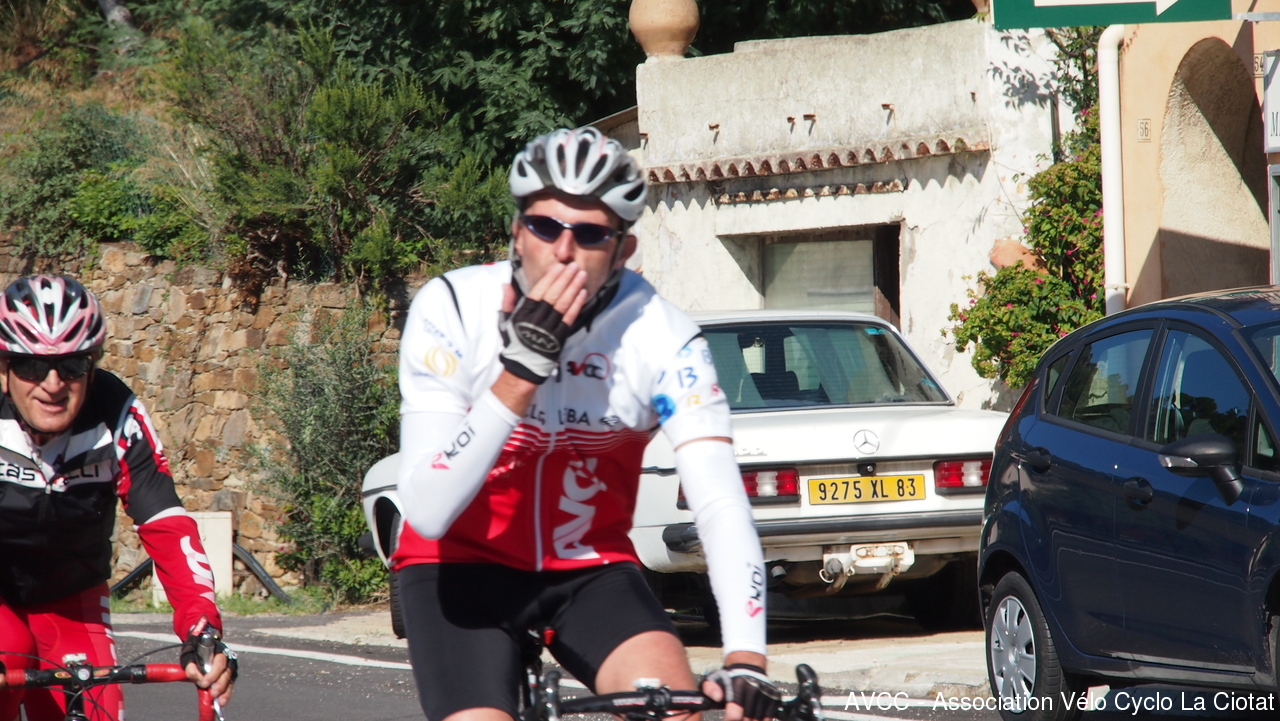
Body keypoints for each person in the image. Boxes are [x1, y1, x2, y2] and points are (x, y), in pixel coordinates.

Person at [393, 127, 779, 721]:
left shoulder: (663, 336)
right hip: (458, 566)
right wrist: (518, 374)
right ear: (518, 232)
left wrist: (746, 658)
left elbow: (719, 502)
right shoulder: (452, 308)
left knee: (674, 710)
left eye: (591, 233)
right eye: (545, 226)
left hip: (588, 568)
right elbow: (426, 509)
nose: (564, 250)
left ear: (623, 250)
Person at [0, 275, 236, 721]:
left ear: (92, 366)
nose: (52, 384)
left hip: (71, 600)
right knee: (8, 651)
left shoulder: (117, 415)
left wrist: (202, 628)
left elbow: (167, 526)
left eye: (72, 365)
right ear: (3, 367)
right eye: (31, 365)